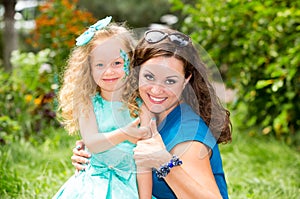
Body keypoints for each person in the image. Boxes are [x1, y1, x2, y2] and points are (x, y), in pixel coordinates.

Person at [73, 28, 232, 199]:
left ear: (186, 80)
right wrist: (96, 152)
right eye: (149, 77)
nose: (156, 90)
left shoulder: (188, 134)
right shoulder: (148, 114)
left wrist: (163, 162)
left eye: (170, 80)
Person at [53, 16, 153, 199]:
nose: (109, 71)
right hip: (91, 185)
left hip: (128, 186)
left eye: (117, 63)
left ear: (130, 63)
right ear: (88, 69)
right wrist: (125, 133)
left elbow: (144, 162)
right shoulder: (87, 102)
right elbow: (92, 142)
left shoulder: (141, 106)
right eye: (100, 64)